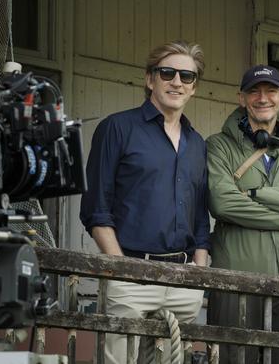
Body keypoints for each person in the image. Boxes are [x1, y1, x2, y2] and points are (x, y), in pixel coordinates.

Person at [79, 40, 209, 364]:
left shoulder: (197, 144)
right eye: (167, 73)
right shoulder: (117, 128)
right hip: (130, 274)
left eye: (187, 76)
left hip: (183, 279)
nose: (177, 82)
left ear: (194, 88)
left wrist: (199, 268)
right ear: (150, 79)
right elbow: (96, 207)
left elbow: (201, 216)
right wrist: (121, 268)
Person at [206, 65, 279, 363]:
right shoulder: (218, 146)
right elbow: (222, 204)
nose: (263, 98)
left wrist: (256, 194)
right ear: (241, 98)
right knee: (233, 357)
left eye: (271, 90)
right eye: (254, 91)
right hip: (236, 278)